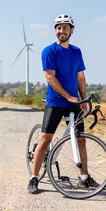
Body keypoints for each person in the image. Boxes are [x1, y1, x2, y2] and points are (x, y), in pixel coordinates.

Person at [27, 14, 99, 194]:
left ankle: (84, 178)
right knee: (45, 140)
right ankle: (34, 178)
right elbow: (50, 77)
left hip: (74, 102)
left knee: (80, 139)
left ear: (72, 30)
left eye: (65, 28)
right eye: (58, 28)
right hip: (56, 102)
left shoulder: (76, 52)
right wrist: (67, 96)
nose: (62, 31)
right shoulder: (49, 51)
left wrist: (82, 100)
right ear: (55, 31)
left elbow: (80, 77)